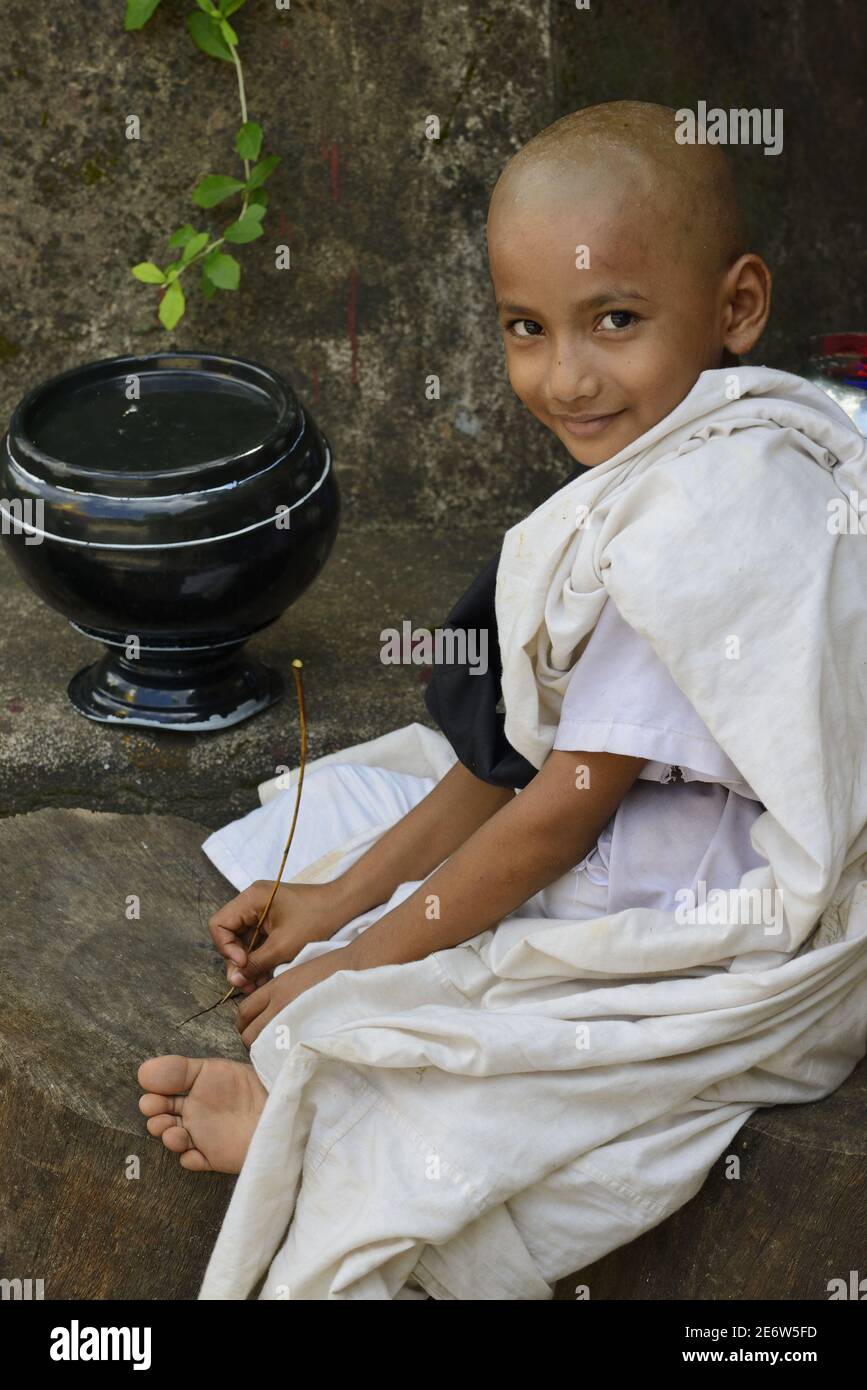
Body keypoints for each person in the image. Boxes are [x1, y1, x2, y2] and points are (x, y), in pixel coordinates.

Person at [137, 101, 867, 1301]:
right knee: (431, 959)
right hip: (632, 845)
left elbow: (552, 819)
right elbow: (508, 766)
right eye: (528, 328)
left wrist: (351, 963)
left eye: (615, 321)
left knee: (456, 1022)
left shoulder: (703, 522)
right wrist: (330, 901)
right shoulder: (669, 475)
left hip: (702, 920)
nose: (566, 375)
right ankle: (307, 1110)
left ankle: (312, 1127)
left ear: (737, 307)